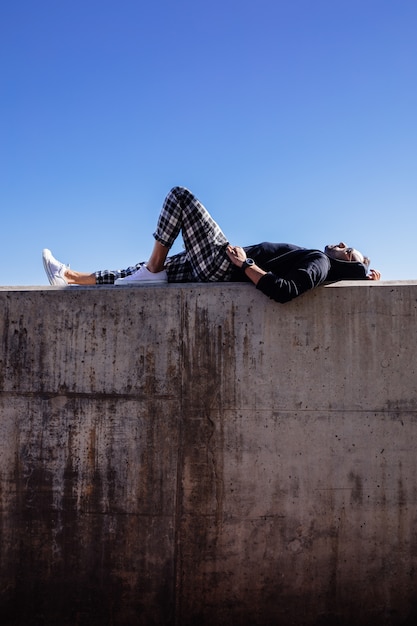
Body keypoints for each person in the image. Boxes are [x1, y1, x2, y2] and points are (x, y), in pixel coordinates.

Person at [42, 186, 381, 303]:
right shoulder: (321, 259)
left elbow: (286, 290)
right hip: (220, 265)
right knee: (138, 270)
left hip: (224, 267)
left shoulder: (320, 264)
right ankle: (69, 276)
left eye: (347, 249)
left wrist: (245, 265)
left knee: (180, 197)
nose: (340, 243)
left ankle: (153, 270)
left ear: (347, 263)